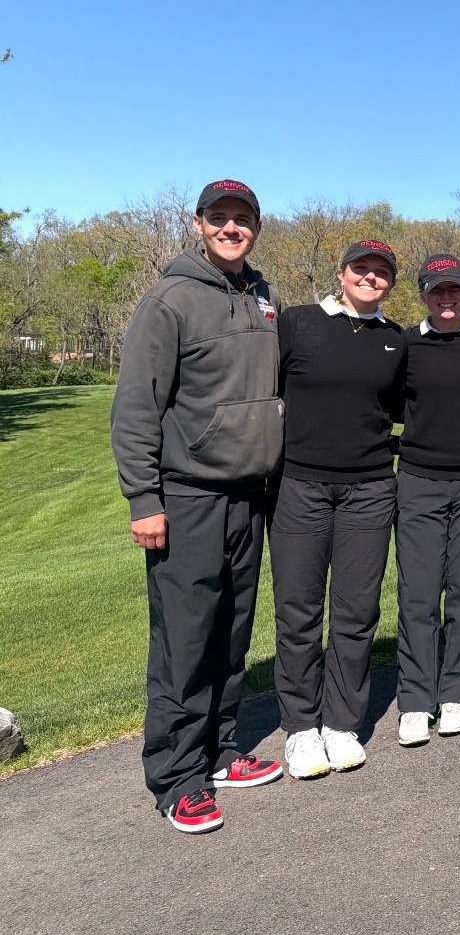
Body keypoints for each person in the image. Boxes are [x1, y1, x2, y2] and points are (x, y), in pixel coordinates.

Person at [110, 179, 284, 834]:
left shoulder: (263, 295)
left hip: (249, 497)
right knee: (185, 641)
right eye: (220, 217)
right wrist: (144, 499)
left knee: (231, 634)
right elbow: (135, 407)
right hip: (187, 497)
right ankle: (177, 777)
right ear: (199, 222)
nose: (231, 227)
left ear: (256, 227)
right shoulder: (171, 299)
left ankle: (220, 750)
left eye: (242, 219)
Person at [269, 241, 404, 779]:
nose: (370, 278)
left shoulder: (396, 340)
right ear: (341, 273)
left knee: (356, 611)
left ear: (390, 283)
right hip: (300, 485)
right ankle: (301, 727)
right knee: (299, 609)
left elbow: (395, 407)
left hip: (370, 488)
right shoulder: (298, 323)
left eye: (381, 273)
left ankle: (341, 722)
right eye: (361, 269)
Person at [394, 255, 460, 747]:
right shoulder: (405, 344)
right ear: (422, 293)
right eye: (436, 290)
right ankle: (416, 700)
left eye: (454, 289)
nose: (446, 298)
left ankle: (456, 692)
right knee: (418, 593)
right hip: (418, 479)